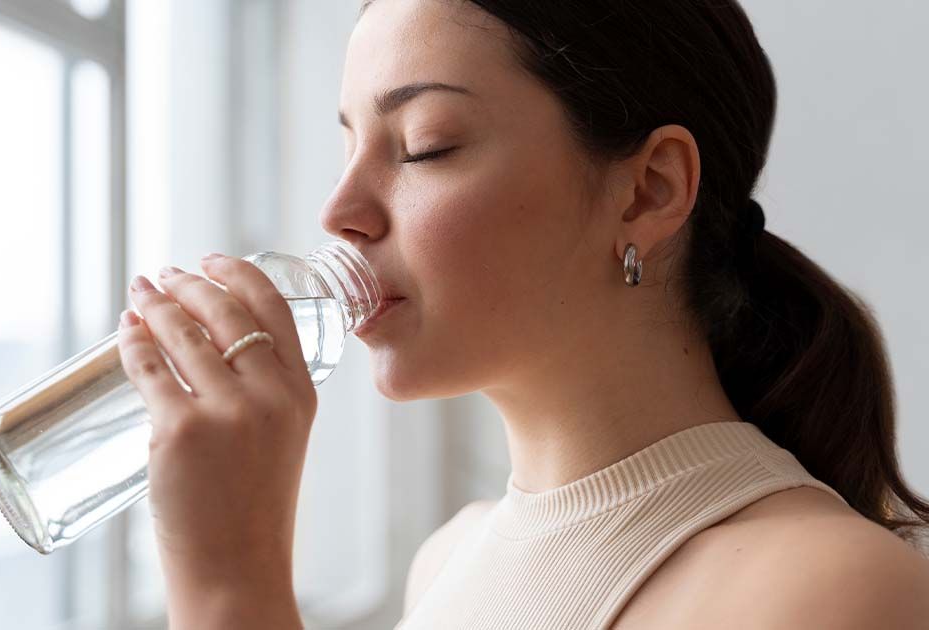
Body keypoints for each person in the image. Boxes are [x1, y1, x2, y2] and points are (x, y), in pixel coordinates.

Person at [114, 0, 929, 627]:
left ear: (649, 190)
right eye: (348, 144)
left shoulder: (831, 589)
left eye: (425, 144)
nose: (339, 210)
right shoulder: (448, 558)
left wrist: (229, 584)